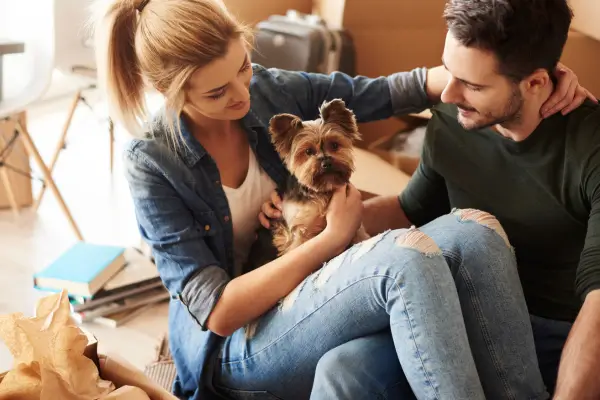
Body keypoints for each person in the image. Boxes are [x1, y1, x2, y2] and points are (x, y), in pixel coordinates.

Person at [90, 0, 594, 399]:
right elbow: (219, 311)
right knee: (404, 259)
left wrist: (541, 77)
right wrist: (330, 237)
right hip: (239, 343)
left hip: (316, 290)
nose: (242, 94)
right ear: (168, 90)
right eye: (216, 92)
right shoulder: (152, 163)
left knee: (474, 229)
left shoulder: (265, 90)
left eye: (243, 67)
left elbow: (392, 91)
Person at [334, 0, 599, 398]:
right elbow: (414, 208)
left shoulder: (590, 146)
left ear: (536, 83)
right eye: (449, 71)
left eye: (473, 85)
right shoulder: (453, 117)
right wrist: (319, 222)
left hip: (556, 332)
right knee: (346, 370)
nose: (448, 93)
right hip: (461, 310)